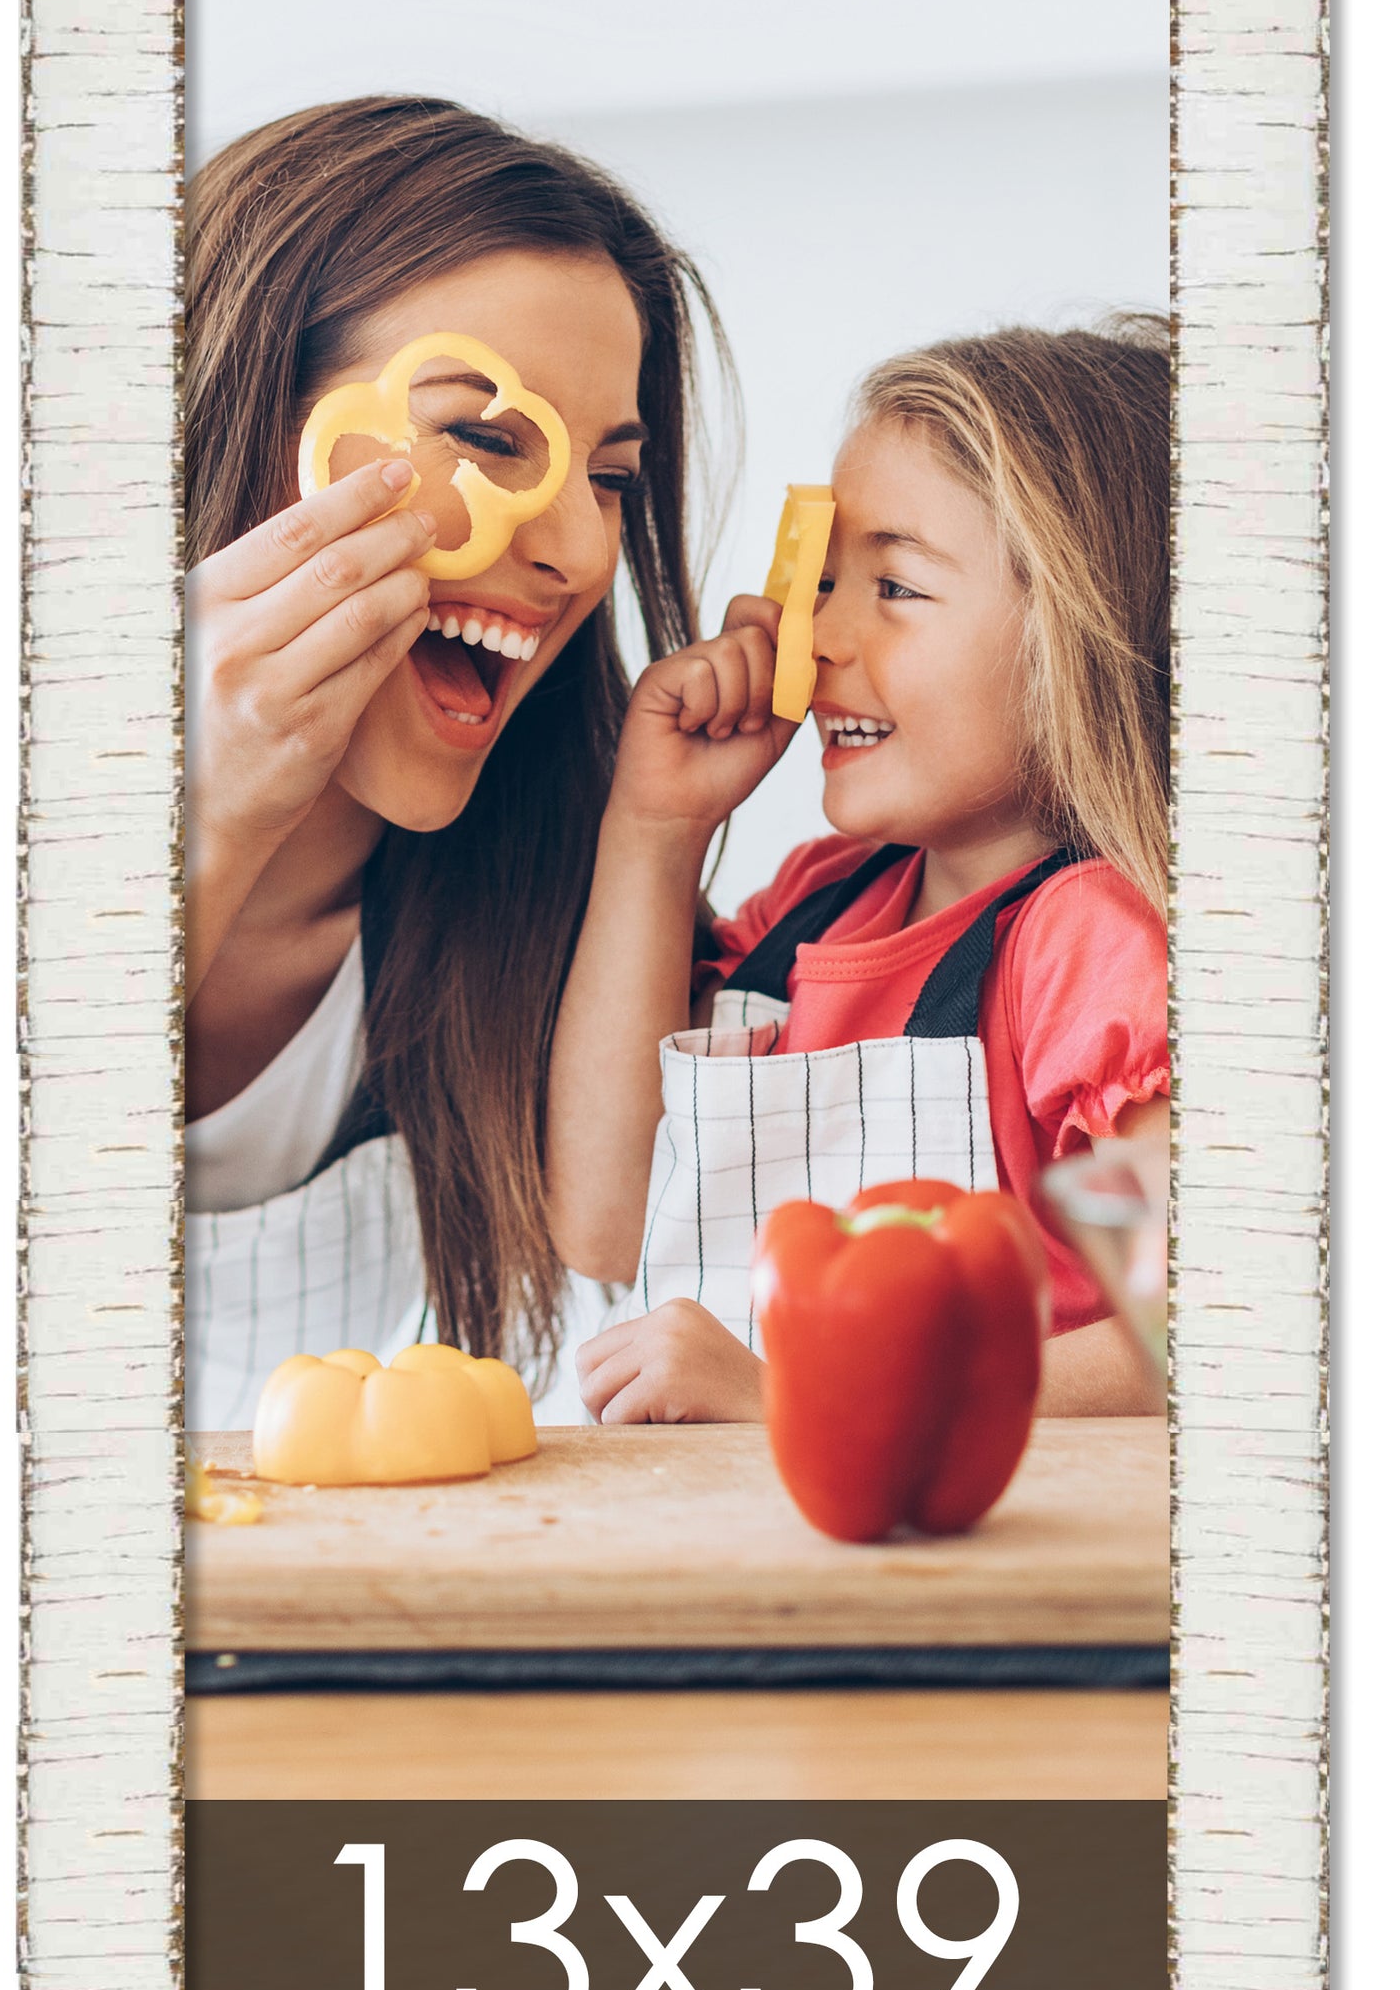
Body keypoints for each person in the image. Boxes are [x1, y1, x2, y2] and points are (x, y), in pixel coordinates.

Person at [184, 94, 729, 1430]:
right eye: (486, 439)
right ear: (253, 420)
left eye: (610, 477)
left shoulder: (571, 905)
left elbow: (621, 1274)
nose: (580, 555)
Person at [548, 320, 1170, 1424]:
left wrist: (804, 1395)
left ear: (1082, 632)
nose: (815, 636)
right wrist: (653, 826)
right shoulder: (813, 910)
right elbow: (606, 1220)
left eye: (893, 587)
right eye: (825, 581)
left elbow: (1183, 1344)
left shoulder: (1083, 950)